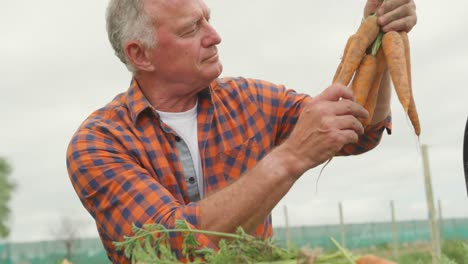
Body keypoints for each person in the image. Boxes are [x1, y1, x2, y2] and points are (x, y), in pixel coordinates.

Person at [66, 0, 417, 262]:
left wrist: (378, 36)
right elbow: (176, 246)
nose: (214, 36)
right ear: (141, 54)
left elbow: (361, 131)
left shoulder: (250, 100)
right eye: (191, 29)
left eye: (208, 20)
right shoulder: (99, 143)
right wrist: (290, 157)